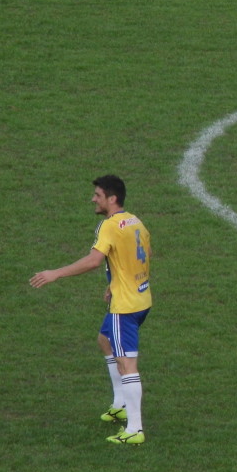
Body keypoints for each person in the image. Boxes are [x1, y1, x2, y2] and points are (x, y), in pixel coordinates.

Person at [30, 175, 152, 445]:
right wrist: (118, 282)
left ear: (112, 199)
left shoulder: (108, 226)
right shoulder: (135, 221)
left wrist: (56, 274)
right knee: (105, 340)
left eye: (98, 195)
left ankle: (135, 429)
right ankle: (120, 402)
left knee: (127, 364)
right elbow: (143, 251)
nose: (93, 199)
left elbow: (94, 261)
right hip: (141, 298)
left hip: (125, 306)